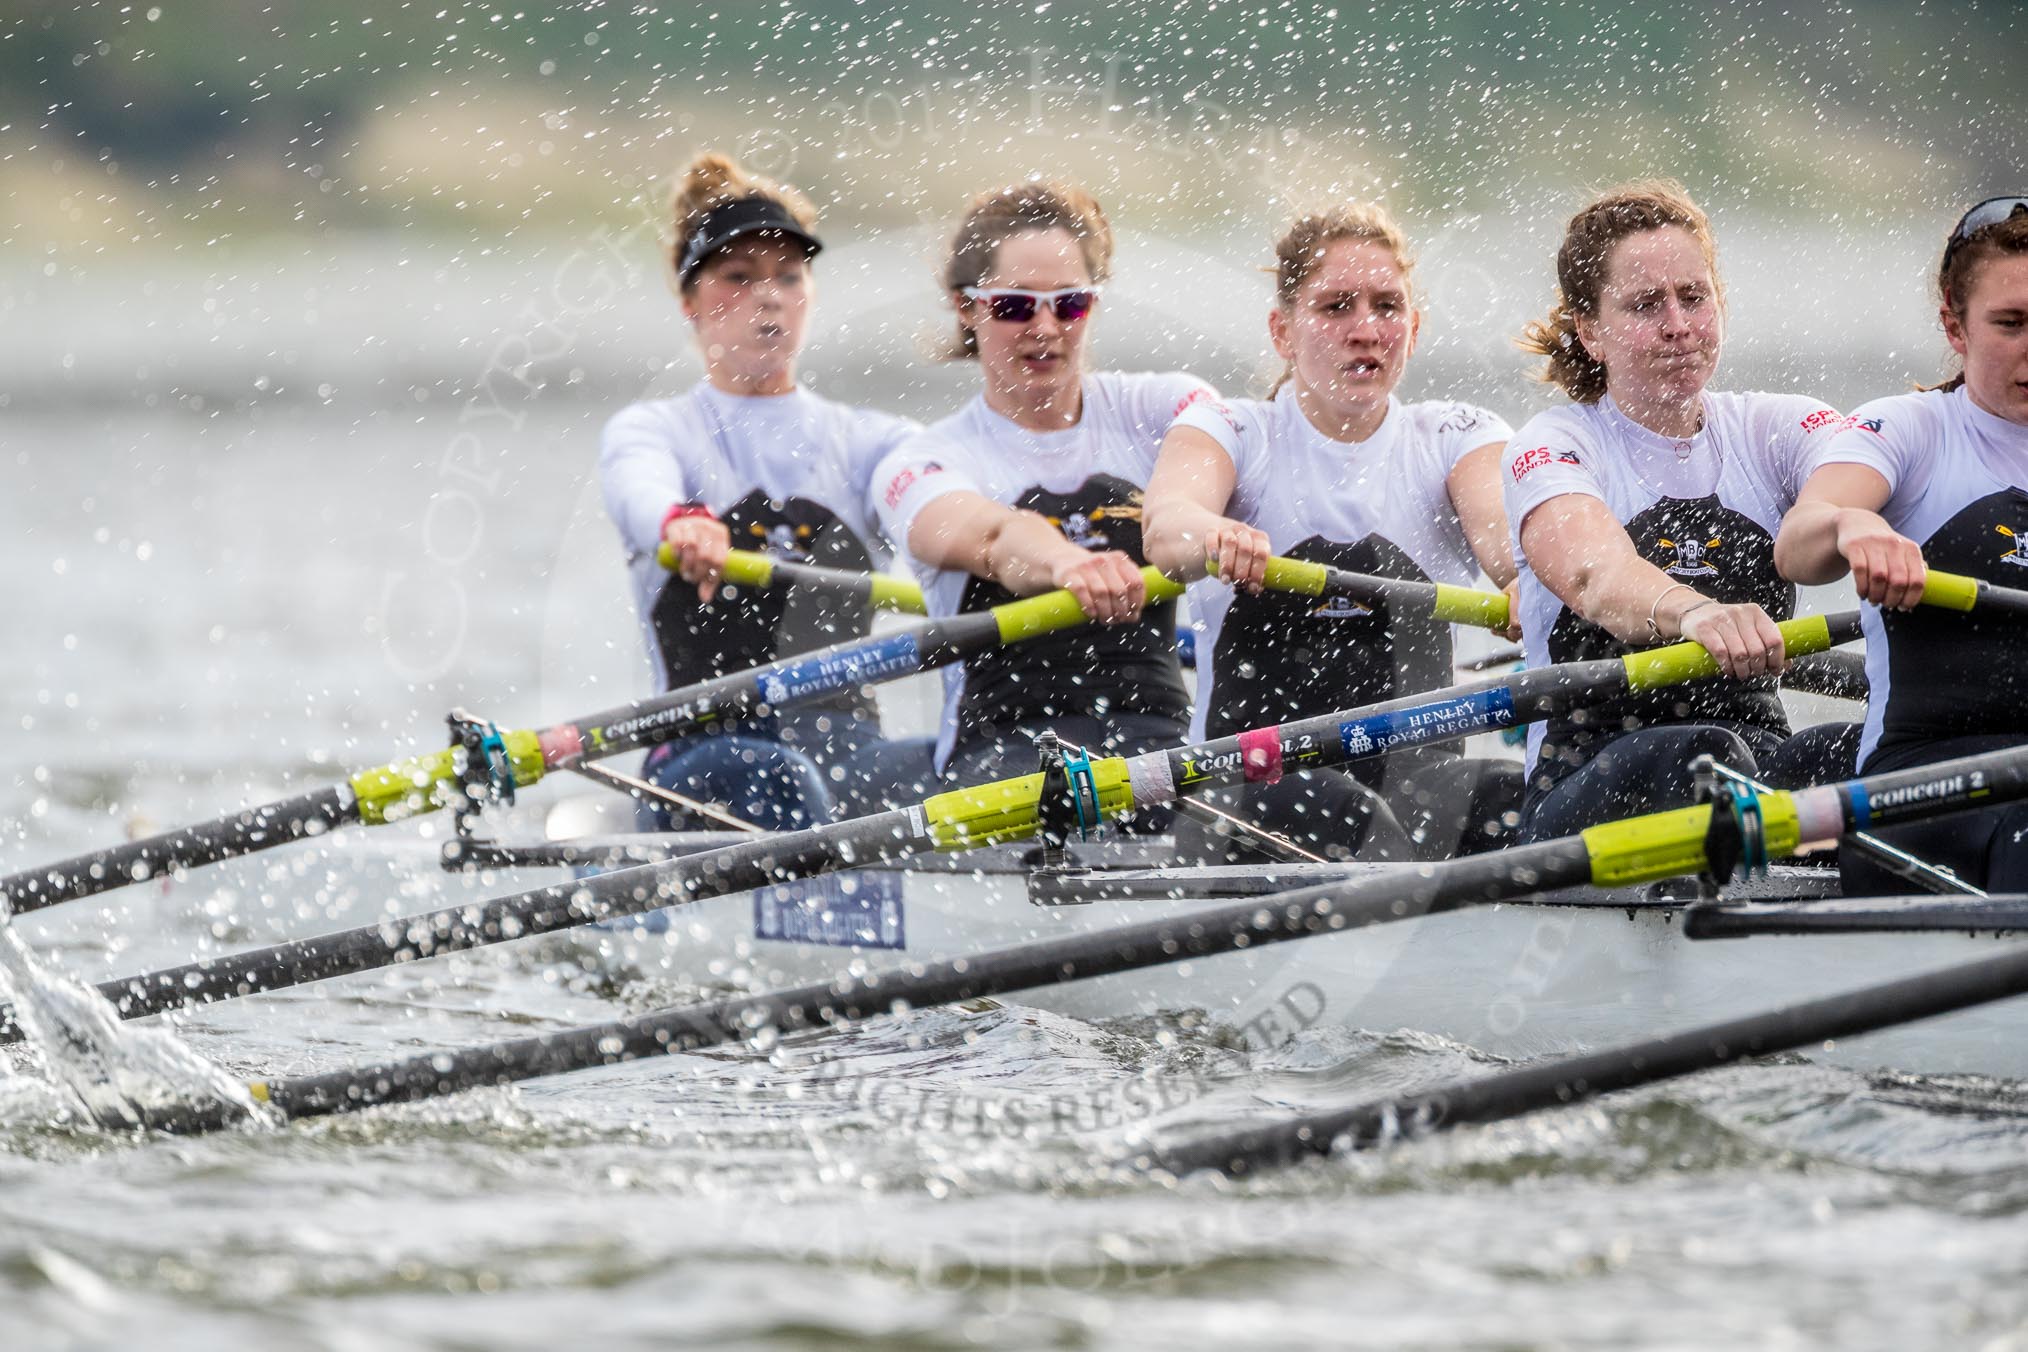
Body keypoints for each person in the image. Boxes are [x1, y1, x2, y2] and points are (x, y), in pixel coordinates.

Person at [1142, 204, 1521, 860]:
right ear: (1282, 332)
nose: (1366, 329)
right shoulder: (1230, 430)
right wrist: (1213, 533)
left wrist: (1522, 578)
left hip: (1416, 783)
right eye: (1337, 306)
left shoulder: (1457, 437)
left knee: (1520, 799)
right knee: (1350, 813)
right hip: (1246, 785)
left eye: (1386, 306)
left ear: (1415, 328)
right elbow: (1168, 528)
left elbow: (1506, 533)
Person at [1505, 180, 1860, 842]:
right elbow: (1597, 575)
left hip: (1753, 755)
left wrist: (1859, 524)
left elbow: (1868, 475)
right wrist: (1693, 613)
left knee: (1854, 750)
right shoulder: (1555, 446)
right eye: (1646, 305)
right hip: (1585, 785)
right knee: (1703, 757)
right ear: (1591, 332)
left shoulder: (1775, 428)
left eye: (1693, 298)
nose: (1677, 325)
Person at [598, 151, 929, 832]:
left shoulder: (875, 443)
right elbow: (641, 490)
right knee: (776, 774)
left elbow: (942, 507)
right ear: (691, 302)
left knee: (968, 763)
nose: (768, 295)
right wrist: (681, 524)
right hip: (701, 751)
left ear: (810, 295)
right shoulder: (658, 431)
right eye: (739, 278)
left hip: (846, 750)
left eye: (788, 275)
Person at [872, 181, 1215, 799]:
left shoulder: (1164, 409)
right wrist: (1067, 564)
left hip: (1158, 738)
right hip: (1003, 747)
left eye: (1071, 303)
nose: (1046, 326)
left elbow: (1229, 471)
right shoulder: (924, 459)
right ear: (966, 308)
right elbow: (995, 537)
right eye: (1015, 306)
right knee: (1075, 796)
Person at [1775, 194, 2028, 891]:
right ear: (1954, 323)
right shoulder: (1912, 431)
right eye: (2010, 323)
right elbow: (1799, 543)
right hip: (1918, 791)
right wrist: (1853, 525)